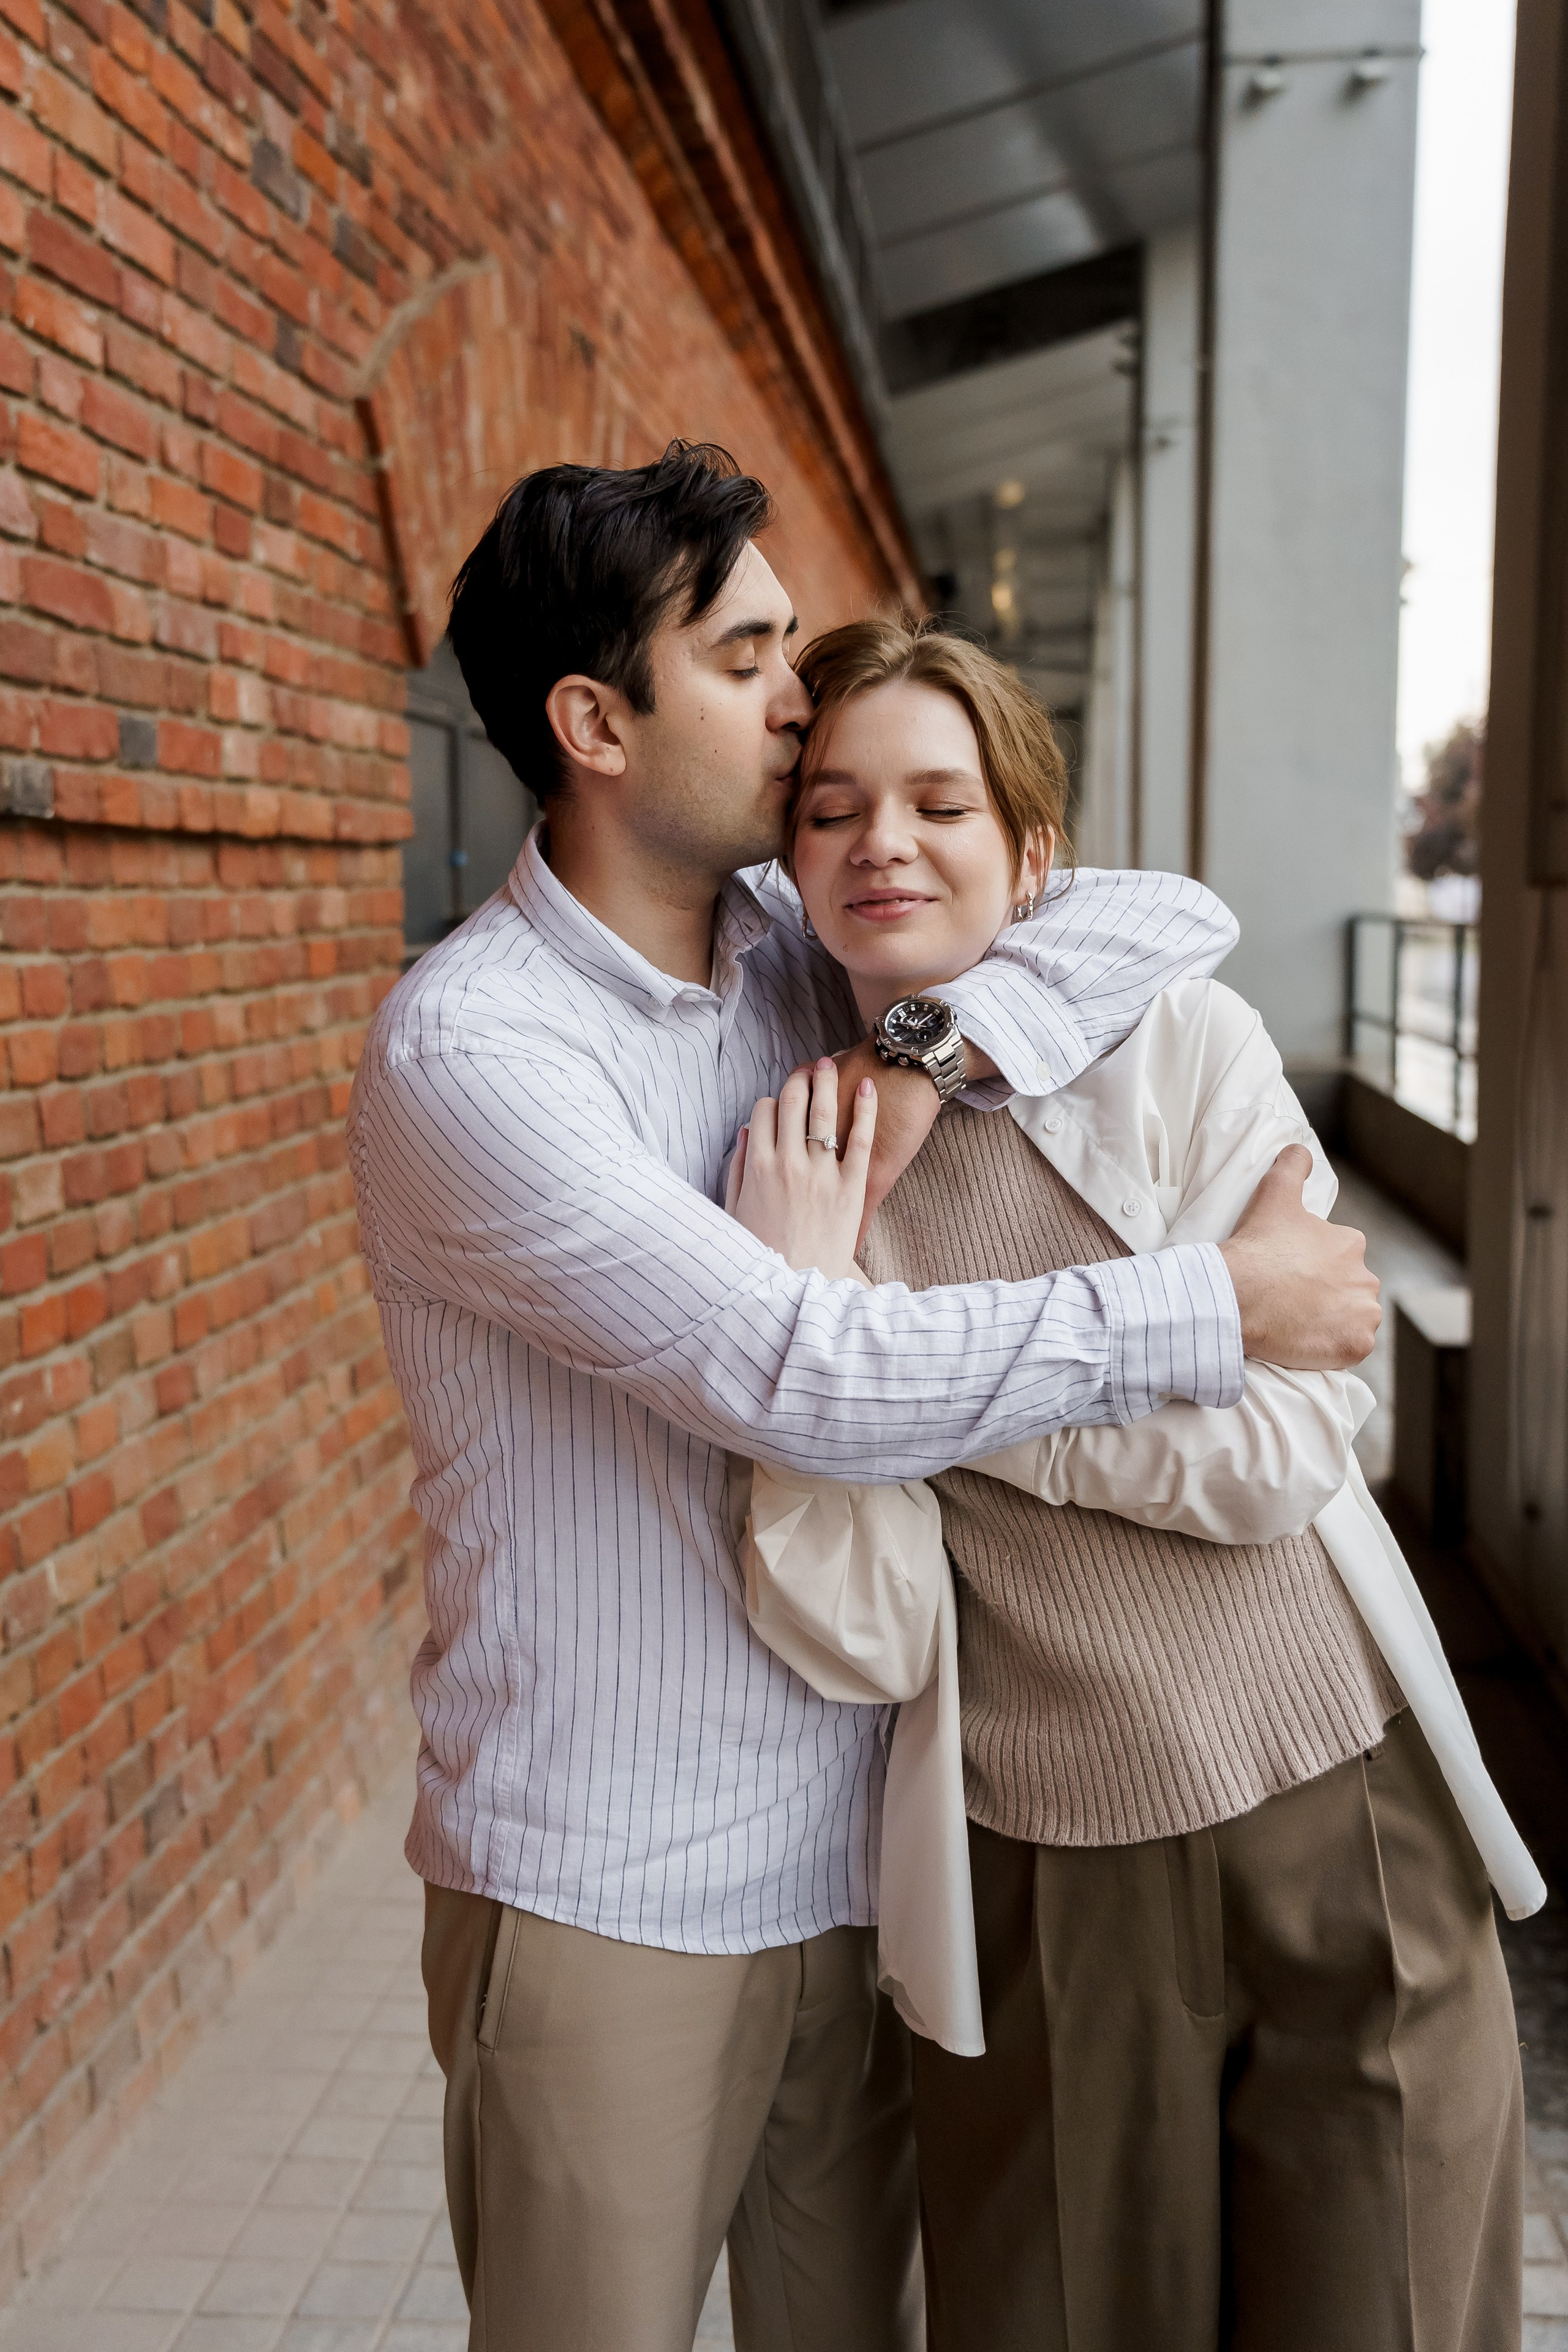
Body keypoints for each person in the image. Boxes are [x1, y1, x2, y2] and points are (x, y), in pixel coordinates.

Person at [347, 443, 1382, 2352]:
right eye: (747, 661)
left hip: (858, 1871)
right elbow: (799, 1375)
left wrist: (919, 1047)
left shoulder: (785, 951)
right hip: (607, 1894)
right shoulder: (477, 1052)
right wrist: (1211, 1301)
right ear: (593, 719)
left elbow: (1141, 915)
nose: (798, 699)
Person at [730, 612, 1537, 2352]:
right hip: (1045, 1853)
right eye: (836, 806)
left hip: (1346, 1801)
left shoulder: (1186, 1045)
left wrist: (898, 1376)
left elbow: (1279, 1454)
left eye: (942, 805)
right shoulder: (799, 1168)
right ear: (789, 862)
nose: (886, 842)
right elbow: (851, 1619)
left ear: (1032, 853)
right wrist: (808, 1391)